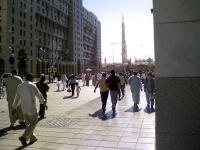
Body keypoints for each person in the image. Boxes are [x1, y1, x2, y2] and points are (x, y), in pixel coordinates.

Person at [12, 73, 48, 146]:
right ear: (31, 78)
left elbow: (17, 98)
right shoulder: (32, 85)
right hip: (32, 108)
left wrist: (14, 107)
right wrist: (44, 103)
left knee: (28, 124)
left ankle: (32, 138)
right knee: (34, 123)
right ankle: (24, 137)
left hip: (24, 108)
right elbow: (39, 95)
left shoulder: (20, 86)